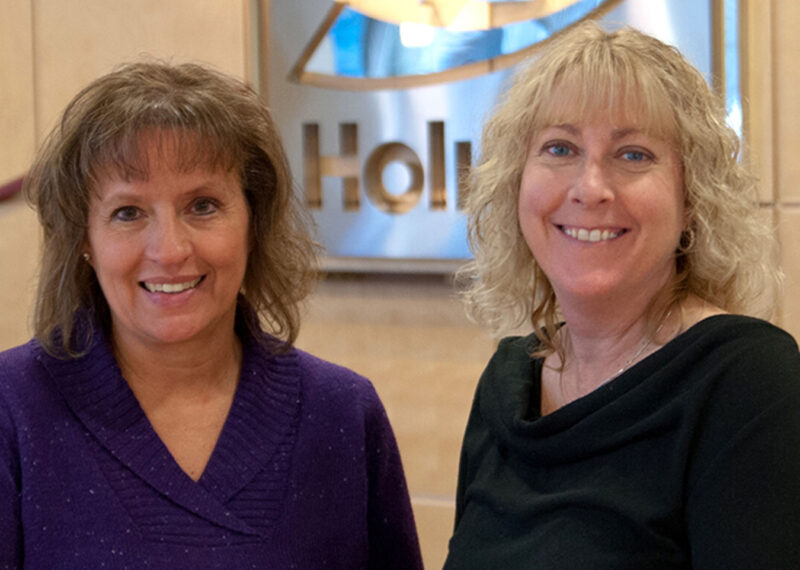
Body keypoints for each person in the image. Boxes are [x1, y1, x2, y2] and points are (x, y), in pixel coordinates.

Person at [0, 61, 423, 569]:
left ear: (253, 221)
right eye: (128, 213)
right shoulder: (13, 408)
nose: (170, 249)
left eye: (202, 205)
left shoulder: (341, 412)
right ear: (83, 241)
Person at [444, 22, 800, 569]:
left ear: (691, 200)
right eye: (559, 148)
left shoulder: (748, 381)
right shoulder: (507, 381)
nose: (589, 187)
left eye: (633, 155)